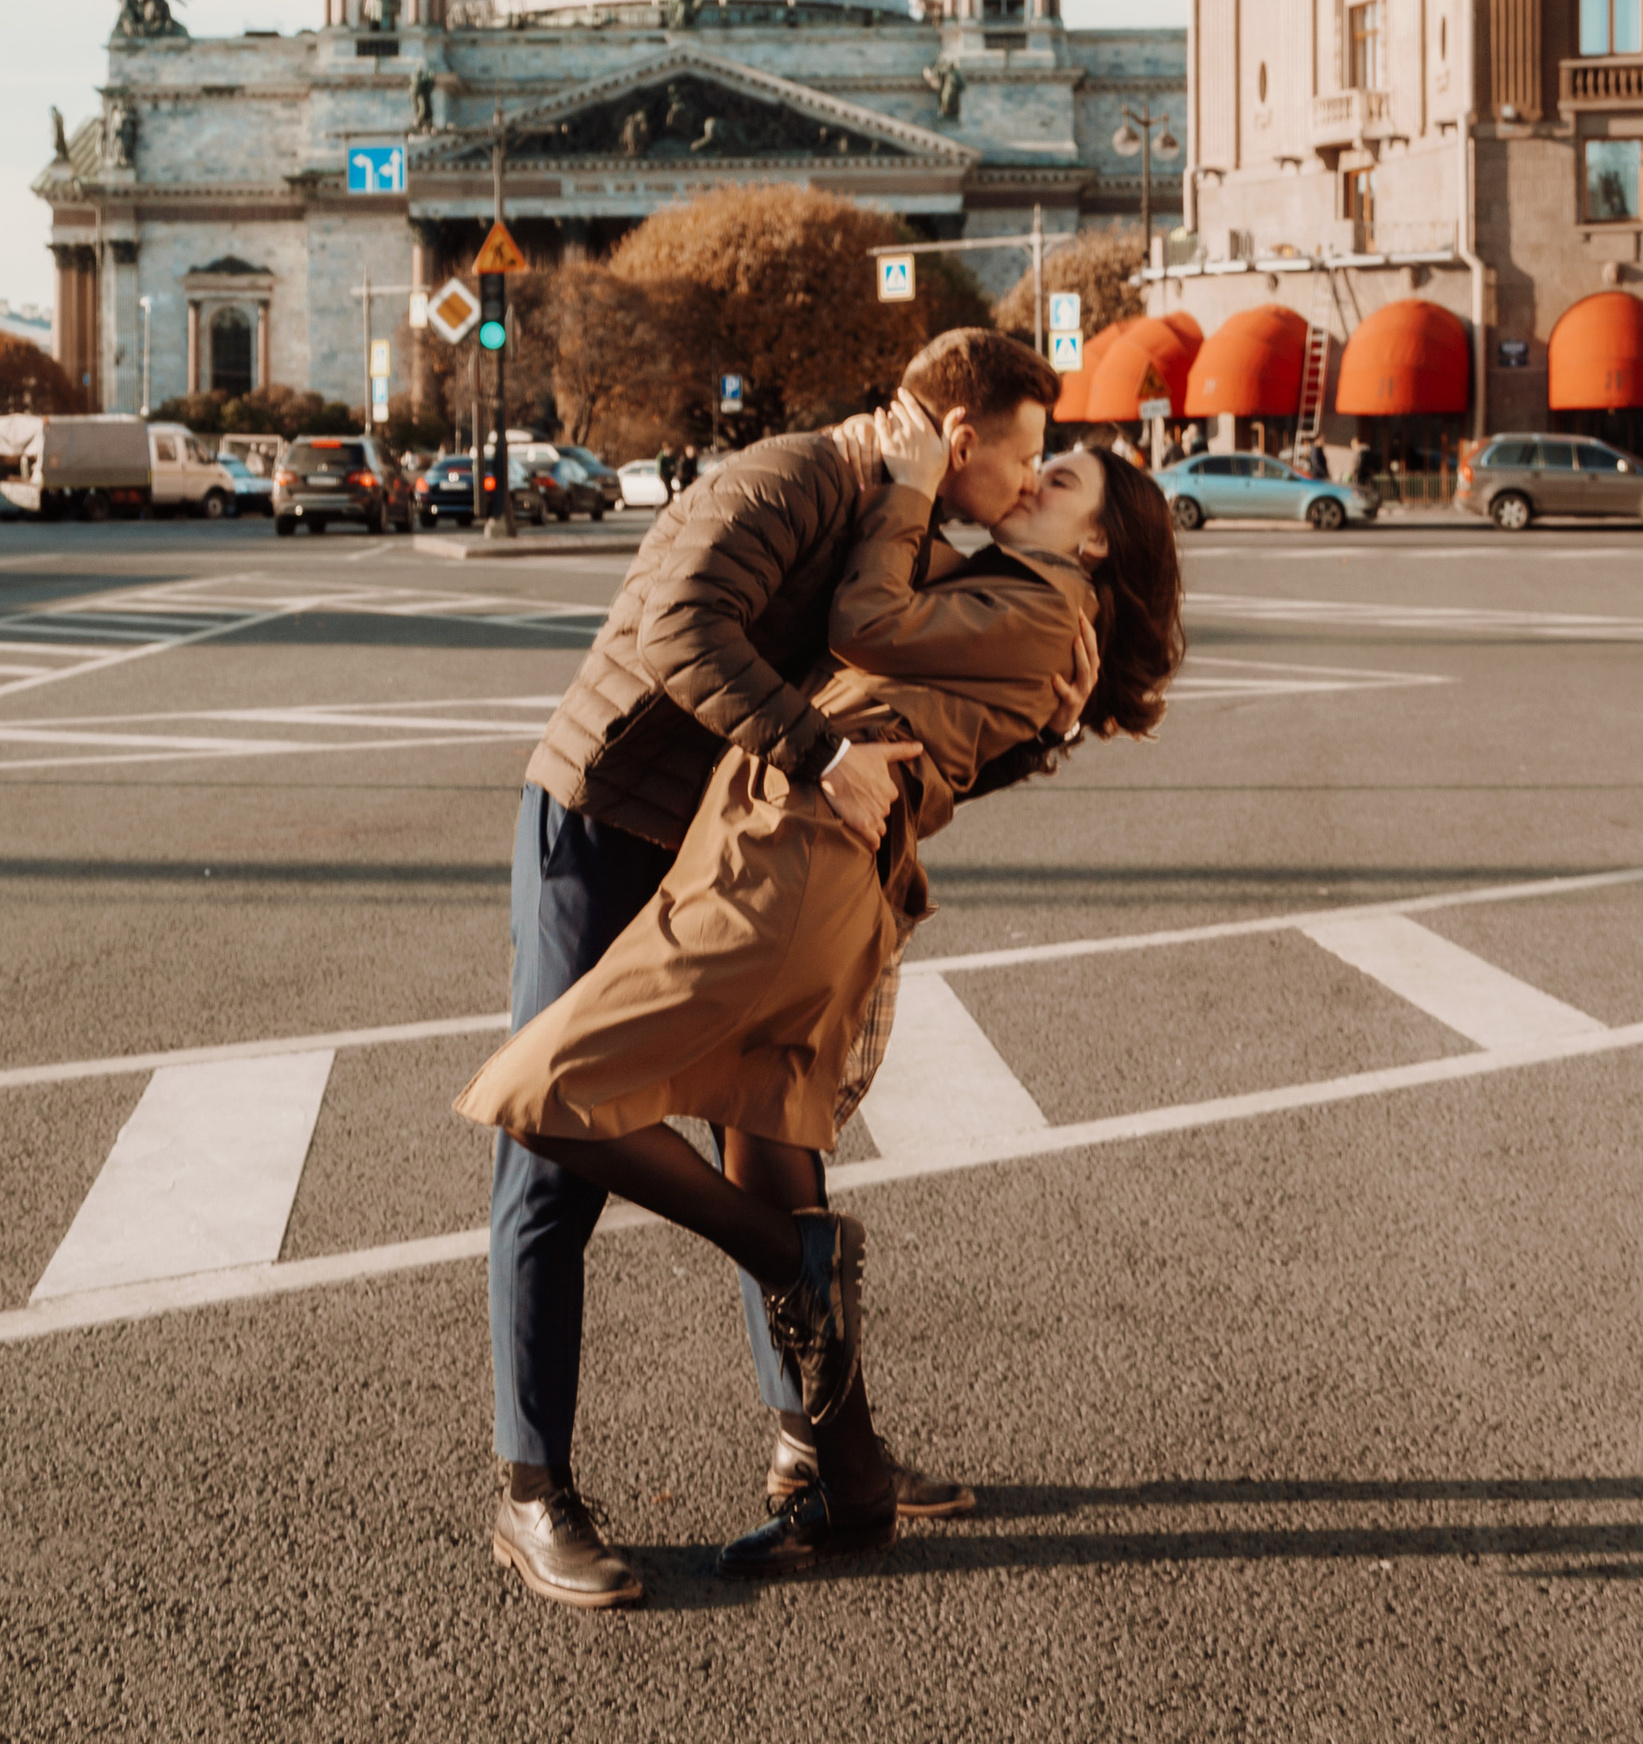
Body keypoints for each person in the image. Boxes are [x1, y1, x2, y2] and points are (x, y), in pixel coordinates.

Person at [461, 396, 1184, 1577]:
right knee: (575, 1156)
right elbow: (692, 636)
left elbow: (896, 655)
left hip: (767, 847)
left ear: (1095, 544)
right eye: (1029, 459)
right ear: (959, 432)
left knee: (712, 1134)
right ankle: (555, 1487)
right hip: (613, 813)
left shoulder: (995, 578)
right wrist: (843, 739)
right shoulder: (795, 481)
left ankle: (822, 1436)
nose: (1026, 481)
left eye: (1057, 480)